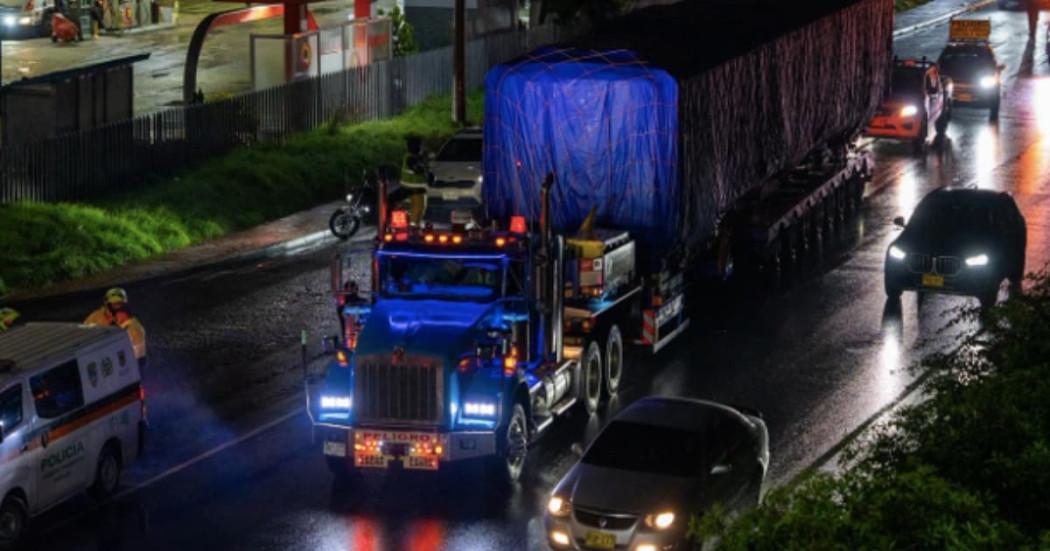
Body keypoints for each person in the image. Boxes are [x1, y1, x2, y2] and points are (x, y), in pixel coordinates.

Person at [84, 288, 147, 367]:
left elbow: (140, 359)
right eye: (114, 304)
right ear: (107, 305)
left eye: (120, 304)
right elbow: (84, 333)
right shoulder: (96, 317)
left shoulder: (134, 328)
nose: (118, 307)